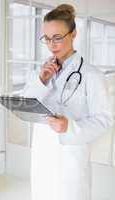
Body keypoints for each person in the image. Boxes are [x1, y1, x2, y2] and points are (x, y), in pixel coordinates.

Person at [23, 4, 113, 200]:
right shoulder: (41, 71)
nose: (51, 45)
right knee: (42, 193)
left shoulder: (91, 75)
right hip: (42, 149)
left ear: (73, 34)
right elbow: (25, 104)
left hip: (70, 153)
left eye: (57, 37)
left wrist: (69, 127)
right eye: (46, 38)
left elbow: (105, 119)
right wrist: (41, 80)